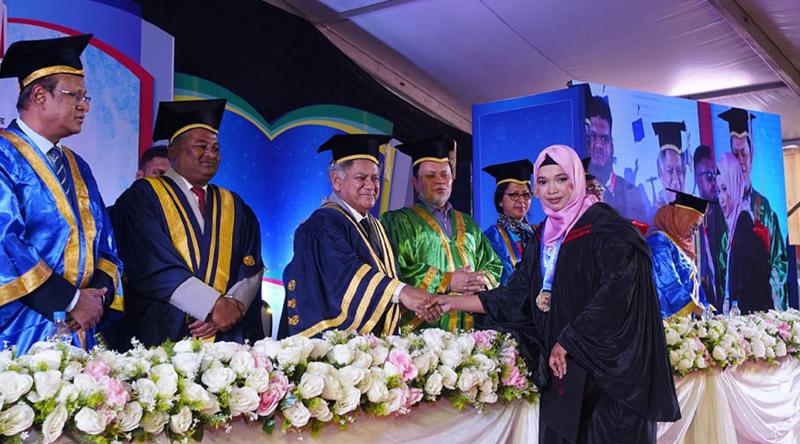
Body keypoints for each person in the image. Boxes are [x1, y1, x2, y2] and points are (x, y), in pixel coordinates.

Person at [438, 145, 680, 443]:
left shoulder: (609, 229)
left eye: (561, 179)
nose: (551, 190)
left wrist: (568, 340)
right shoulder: (545, 235)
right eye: (543, 181)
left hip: (611, 382)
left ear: (576, 180)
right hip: (565, 377)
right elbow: (515, 296)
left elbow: (616, 295)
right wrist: (450, 302)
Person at [0, 34, 123, 354]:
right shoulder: (4, 156)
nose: (85, 106)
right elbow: (5, 242)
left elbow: (106, 246)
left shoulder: (78, 166)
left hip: (80, 333)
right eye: (75, 95)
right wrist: (70, 301)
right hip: (19, 333)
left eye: (86, 97)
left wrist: (94, 299)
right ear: (40, 96)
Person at [110, 99, 264, 349]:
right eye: (201, 146)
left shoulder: (234, 204)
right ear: (172, 151)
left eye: (215, 148)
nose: (210, 154)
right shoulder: (142, 196)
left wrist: (232, 307)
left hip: (223, 341)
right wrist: (212, 306)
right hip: (162, 335)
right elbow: (151, 262)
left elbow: (251, 264)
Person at [279, 134, 441, 338]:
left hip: (370, 347)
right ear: (336, 180)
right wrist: (402, 292)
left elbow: (388, 280)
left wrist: (421, 303)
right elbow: (344, 273)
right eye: (361, 178)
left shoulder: (376, 226)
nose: (371, 186)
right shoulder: (322, 224)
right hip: (329, 347)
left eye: (375, 178)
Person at [381, 135, 502, 332]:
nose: (440, 181)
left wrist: (480, 280)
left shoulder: (469, 224)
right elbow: (396, 271)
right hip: (423, 332)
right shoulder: (398, 222)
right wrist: (447, 280)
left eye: (445, 175)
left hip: (471, 331)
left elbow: (493, 264)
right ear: (415, 183)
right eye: (430, 176)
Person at [719, 107, 787, 309]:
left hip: (761, 300)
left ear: (752, 154)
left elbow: (780, 259)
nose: (740, 161)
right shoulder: (725, 206)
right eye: (735, 154)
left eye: (744, 153)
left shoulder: (764, 207)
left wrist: (766, 288)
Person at [716, 153, 773, 314]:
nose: (721, 198)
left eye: (725, 188)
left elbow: (750, 285)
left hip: (750, 318)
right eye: (718, 191)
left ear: (734, 185)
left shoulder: (743, 225)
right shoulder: (734, 225)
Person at [585, 95, 650, 222]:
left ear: (612, 145)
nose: (598, 145)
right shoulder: (576, 192)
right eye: (593, 136)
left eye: (604, 138)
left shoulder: (632, 194)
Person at [647, 192, 710, 317]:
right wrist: (694, 308)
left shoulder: (679, 245)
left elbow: (694, 285)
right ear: (680, 219)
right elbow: (668, 282)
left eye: (696, 228)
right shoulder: (658, 242)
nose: (693, 233)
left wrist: (706, 308)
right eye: (692, 227)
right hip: (667, 319)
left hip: (687, 319)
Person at [481, 159, 536, 285]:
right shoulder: (492, 237)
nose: (521, 200)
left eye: (526, 195)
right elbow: (502, 277)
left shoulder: (536, 232)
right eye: (514, 195)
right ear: (500, 200)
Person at [693, 145, 726, 311]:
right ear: (697, 178)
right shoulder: (690, 218)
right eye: (708, 176)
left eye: (715, 175)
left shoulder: (724, 214)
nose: (714, 182)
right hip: (701, 299)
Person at [652, 121, 687, 208]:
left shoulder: (691, 211)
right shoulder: (655, 212)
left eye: (679, 171)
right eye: (669, 171)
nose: (675, 181)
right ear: (660, 173)